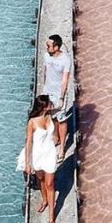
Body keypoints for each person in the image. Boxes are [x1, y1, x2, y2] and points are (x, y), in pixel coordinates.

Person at [16, 94, 58, 223]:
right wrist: (27, 163)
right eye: (49, 103)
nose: (52, 104)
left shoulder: (51, 116)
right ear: (44, 107)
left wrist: (56, 138)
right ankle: (44, 199)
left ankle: (51, 217)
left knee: (50, 183)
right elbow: (28, 143)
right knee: (40, 178)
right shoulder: (32, 122)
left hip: (50, 153)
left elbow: (56, 132)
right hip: (38, 155)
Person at [43, 34, 72, 162]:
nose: (47, 47)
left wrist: (61, 97)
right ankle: (56, 137)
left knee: (61, 119)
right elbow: (45, 73)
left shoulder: (65, 60)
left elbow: (65, 80)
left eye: (49, 46)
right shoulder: (46, 56)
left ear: (56, 47)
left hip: (59, 93)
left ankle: (62, 148)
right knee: (51, 116)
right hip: (48, 92)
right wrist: (44, 90)